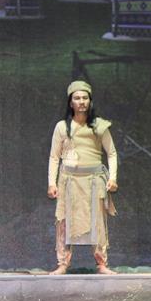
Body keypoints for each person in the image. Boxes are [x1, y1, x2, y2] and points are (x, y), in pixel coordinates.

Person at [47, 80, 118, 275]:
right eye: (77, 98)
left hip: (93, 179)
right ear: (71, 102)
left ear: (90, 101)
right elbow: (54, 157)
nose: (81, 102)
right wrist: (51, 183)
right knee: (64, 221)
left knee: (97, 222)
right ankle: (63, 263)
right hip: (69, 180)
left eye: (85, 98)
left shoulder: (99, 126)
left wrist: (112, 178)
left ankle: (101, 263)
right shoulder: (62, 127)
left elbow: (111, 153)